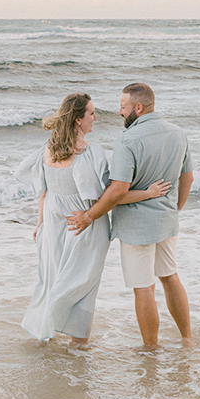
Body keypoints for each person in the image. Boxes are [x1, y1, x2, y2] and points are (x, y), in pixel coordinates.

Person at [15, 92, 169, 346]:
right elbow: (111, 197)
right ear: (78, 119)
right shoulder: (91, 153)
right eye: (91, 113)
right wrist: (148, 193)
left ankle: (46, 334)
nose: (96, 118)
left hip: (53, 226)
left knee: (52, 281)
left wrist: (40, 224)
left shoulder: (48, 149)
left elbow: (43, 193)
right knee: (83, 287)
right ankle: (78, 347)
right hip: (85, 228)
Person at [67, 83, 195, 349]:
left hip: (137, 227)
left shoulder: (128, 140)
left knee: (144, 288)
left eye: (123, 108)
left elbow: (117, 190)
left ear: (138, 107)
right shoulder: (178, 133)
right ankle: (187, 339)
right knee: (170, 277)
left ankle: (151, 350)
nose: (119, 113)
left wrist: (89, 216)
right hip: (167, 221)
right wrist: (175, 209)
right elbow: (187, 177)